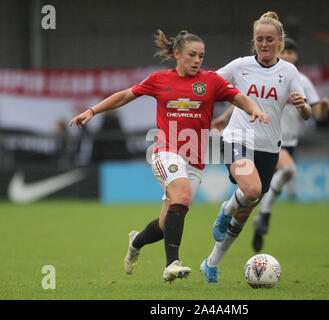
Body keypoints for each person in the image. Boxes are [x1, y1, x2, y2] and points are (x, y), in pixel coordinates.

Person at [69, 29, 269, 282]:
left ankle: (136, 243)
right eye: (192, 55)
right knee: (182, 196)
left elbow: (239, 98)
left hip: (196, 159)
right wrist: (92, 111)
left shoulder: (211, 81)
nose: (197, 60)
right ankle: (172, 264)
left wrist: (255, 110)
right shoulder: (159, 79)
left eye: (201, 56)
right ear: (177, 54)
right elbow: (124, 96)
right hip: (166, 150)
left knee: (167, 223)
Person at [200, 11, 311, 284]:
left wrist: (303, 107)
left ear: (279, 41)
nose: (264, 44)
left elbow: (307, 113)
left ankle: (211, 263)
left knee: (246, 210)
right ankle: (225, 210)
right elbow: (210, 83)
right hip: (237, 138)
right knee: (250, 190)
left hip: (269, 148)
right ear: (254, 42)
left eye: (269, 39)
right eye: (259, 39)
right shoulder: (240, 66)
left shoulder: (289, 72)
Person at [251, 37, 329, 252]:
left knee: (261, 190)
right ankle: (263, 216)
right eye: (282, 51)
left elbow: (317, 114)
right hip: (266, 138)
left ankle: (257, 219)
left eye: (289, 52)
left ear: (295, 56)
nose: (285, 55)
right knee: (287, 170)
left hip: (290, 141)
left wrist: (323, 108)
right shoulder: (265, 76)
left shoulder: (302, 81)